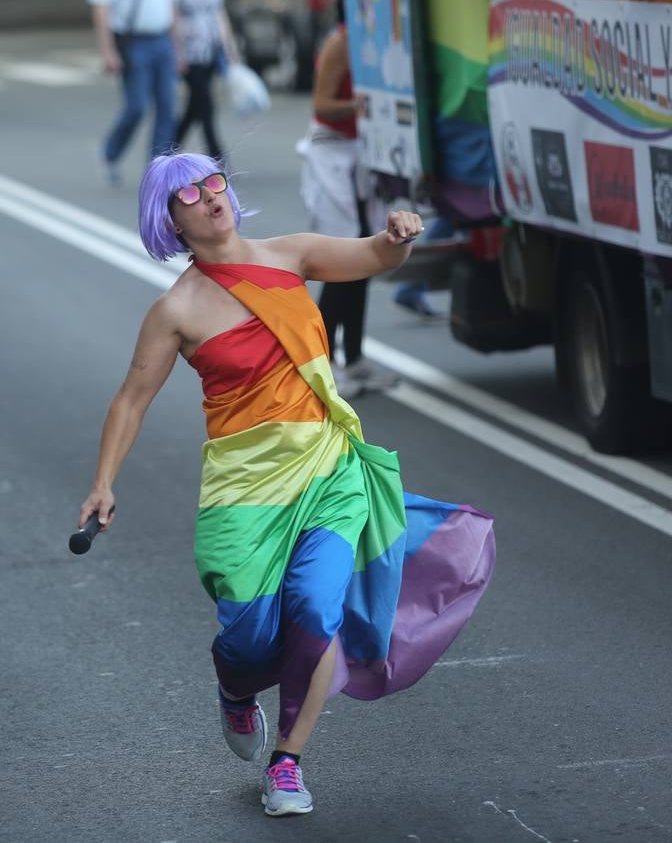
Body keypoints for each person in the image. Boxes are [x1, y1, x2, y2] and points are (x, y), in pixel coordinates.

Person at [78, 152, 496, 818]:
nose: (211, 196)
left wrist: (394, 239)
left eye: (214, 182)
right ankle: (237, 692)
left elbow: (369, 257)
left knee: (314, 609)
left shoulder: (290, 255)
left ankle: (289, 762)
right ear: (170, 220)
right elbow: (131, 400)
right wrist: (103, 483)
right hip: (243, 487)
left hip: (327, 469)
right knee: (244, 638)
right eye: (189, 193)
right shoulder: (175, 310)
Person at [298, 0, 395, 398]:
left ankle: (353, 358)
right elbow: (321, 104)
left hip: (357, 155)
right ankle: (321, 368)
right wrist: (358, 105)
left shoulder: (367, 41)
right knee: (340, 264)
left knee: (364, 258)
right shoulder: (340, 44)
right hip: (331, 151)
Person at [87, 0, 180, 184]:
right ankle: (110, 152)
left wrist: (178, 48)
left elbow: (171, 4)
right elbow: (101, 7)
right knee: (137, 107)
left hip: (162, 40)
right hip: (133, 42)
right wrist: (107, 50)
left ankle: (158, 171)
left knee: (167, 107)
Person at [172, 0, 240, 162]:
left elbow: (219, 12)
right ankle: (218, 159)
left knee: (195, 107)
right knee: (205, 105)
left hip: (211, 47)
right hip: (189, 48)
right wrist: (177, 52)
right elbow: (172, 15)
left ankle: (166, 151)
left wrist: (229, 46)